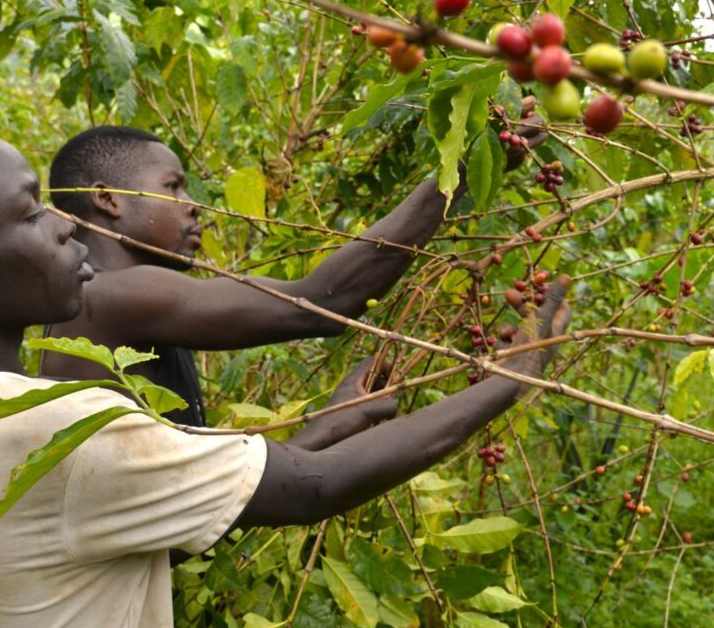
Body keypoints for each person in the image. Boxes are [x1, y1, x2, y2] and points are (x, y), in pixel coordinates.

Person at [0, 130, 569, 628]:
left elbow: (139, 506)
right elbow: (311, 485)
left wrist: (337, 422)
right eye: (30, 215)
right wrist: (508, 378)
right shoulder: (55, 432)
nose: (63, 225)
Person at [43, 123, 542, 436]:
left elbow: (195, 498)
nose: (194, 204)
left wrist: (331, 423)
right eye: (173, 187)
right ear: (107, 199)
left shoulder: (104, 302)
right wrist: (452, 174)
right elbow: (326, 300)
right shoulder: (109, 295)